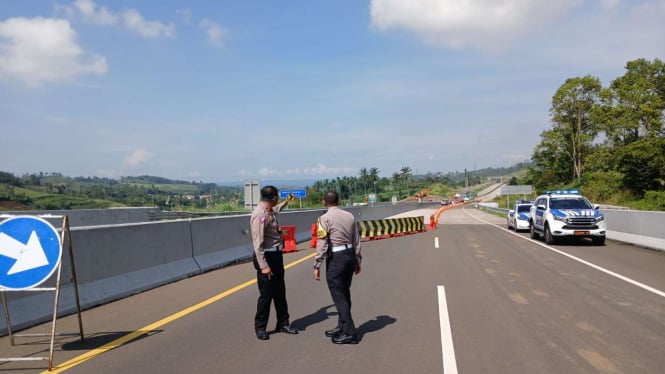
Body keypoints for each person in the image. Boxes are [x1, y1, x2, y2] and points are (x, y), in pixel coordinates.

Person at [313, 190, 362, 344]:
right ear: (339, 201)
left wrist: (317, 264)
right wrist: (358, 259)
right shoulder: (350, 216)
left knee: (338, 294)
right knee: (345, 291)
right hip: (349, 256)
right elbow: (357, 239)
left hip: (336, 258)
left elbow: (322, 243)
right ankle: (341, 325)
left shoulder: (323, 219)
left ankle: (349, 332)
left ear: (323, 202)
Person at [250, 185, 299, 340]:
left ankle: (283, 323)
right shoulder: (260, 215)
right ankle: (260, 327)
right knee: (266, 295)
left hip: (276, 256)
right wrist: (264, 266)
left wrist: (287, 201)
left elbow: (277, 209)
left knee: (280, 292)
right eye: (277, 197)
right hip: (266, 258)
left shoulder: (270, 210)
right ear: (272, 198)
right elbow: (257, 244)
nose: (277, 200)